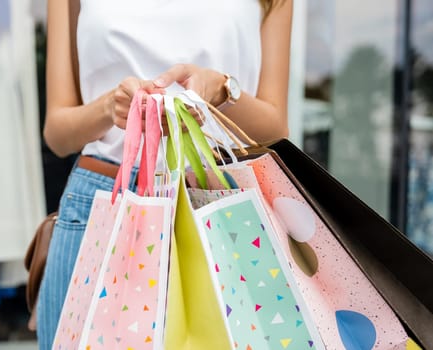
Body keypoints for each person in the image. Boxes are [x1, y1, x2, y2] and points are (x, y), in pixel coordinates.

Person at [35, 0, 293, 347]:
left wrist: (223, 91)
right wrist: (109, 107)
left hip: (216, 202)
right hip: (103, 199)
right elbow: (58, 132)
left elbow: (274, 127)